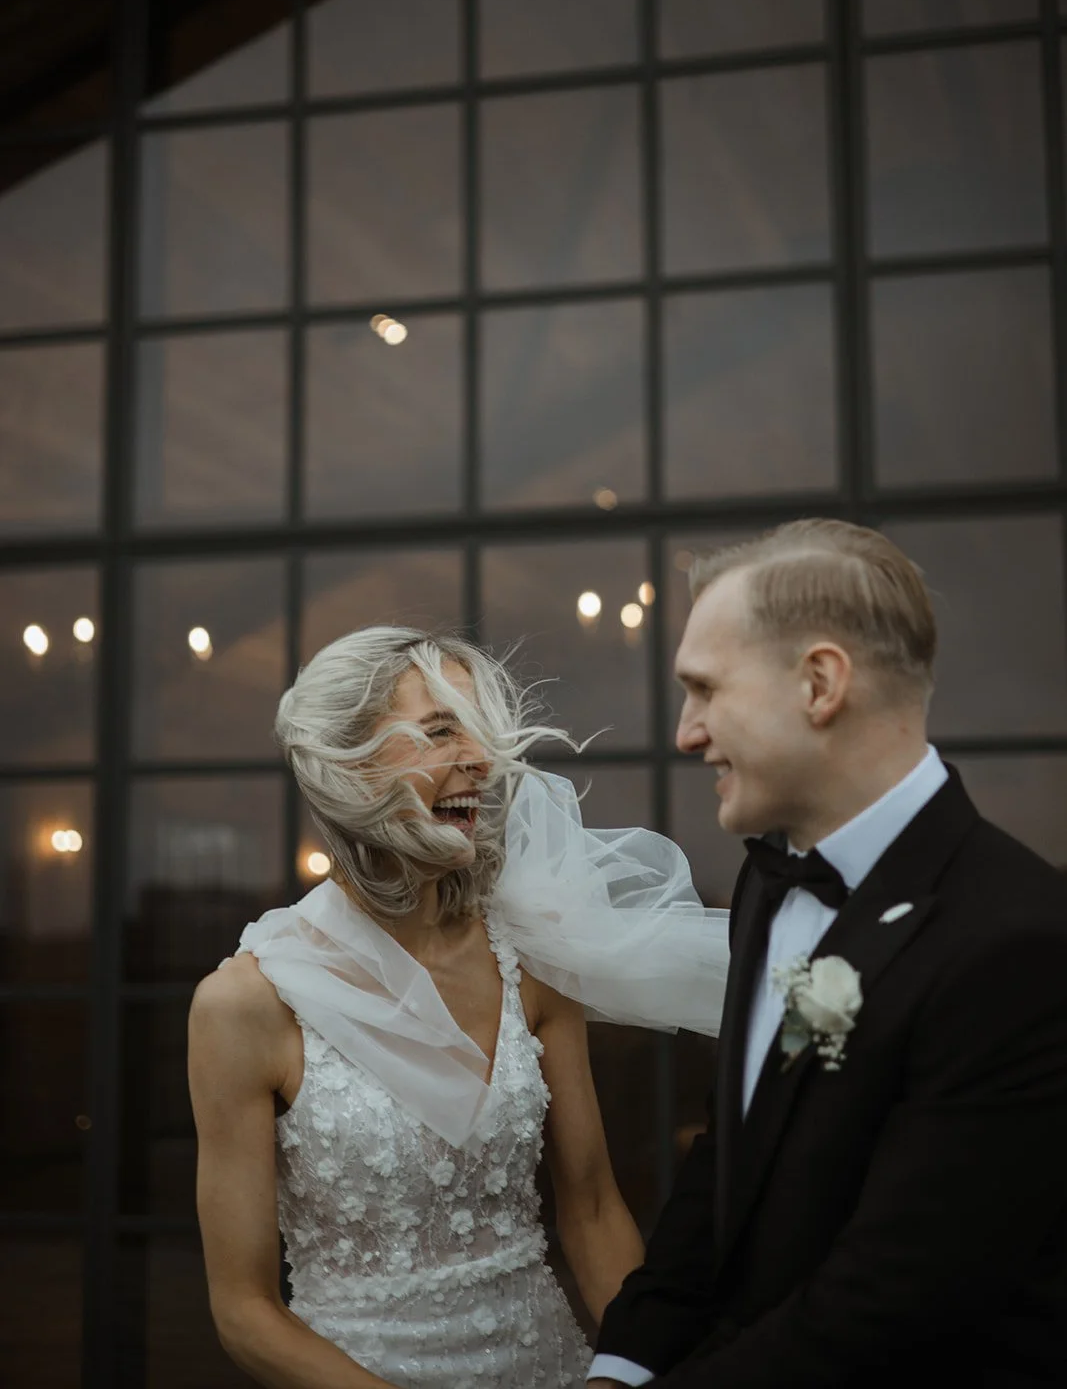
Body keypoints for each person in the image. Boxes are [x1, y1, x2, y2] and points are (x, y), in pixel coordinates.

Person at [590, 518, 1067, 1389]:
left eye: (704, 690)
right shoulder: (768, 888)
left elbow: (890, 1301)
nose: (687, 733)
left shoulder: (1017, 945)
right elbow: (736, 1150)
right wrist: (620, 1365)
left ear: (819, 683)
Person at [188, 627, 731, 1389]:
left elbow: (595, 1210)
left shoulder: (532, 962)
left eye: (480, 731)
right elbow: (243, 1310)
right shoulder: (246, 1003)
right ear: (346, 763)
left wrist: (639, 1373)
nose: (479, 758)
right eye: (441, 730)